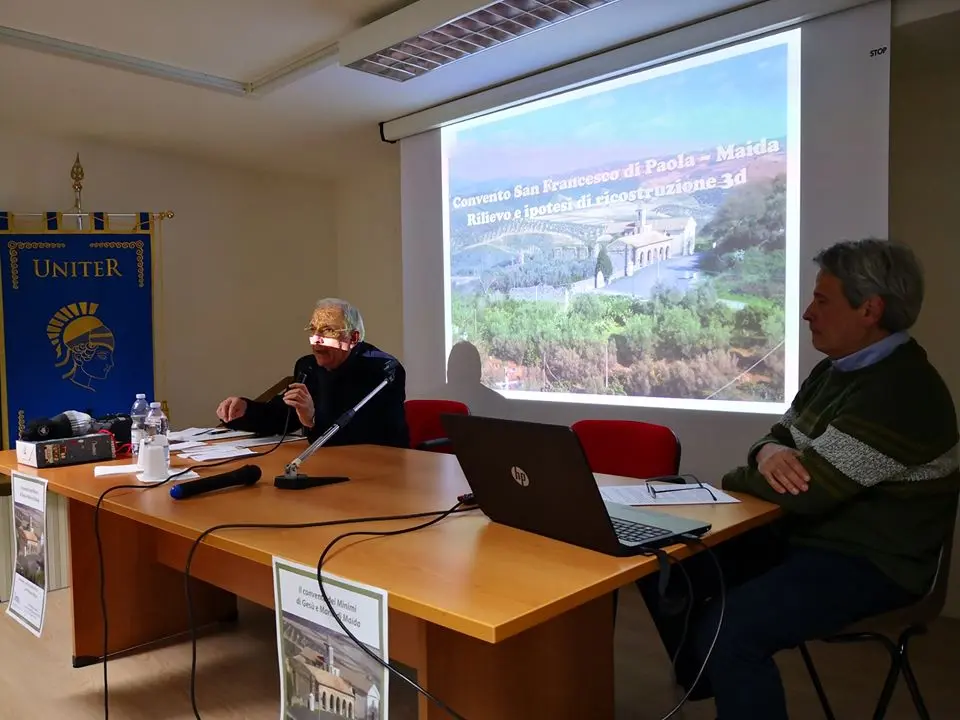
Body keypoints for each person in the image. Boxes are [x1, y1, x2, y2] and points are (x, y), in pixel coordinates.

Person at [639, 239, 959, 720]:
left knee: (732, 630)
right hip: (807, 540)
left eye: (822, 300)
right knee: (658, 560)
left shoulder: (902, 390)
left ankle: (718, 656)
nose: (808, 313)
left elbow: (806, 493)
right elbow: (775, 438)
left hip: (874, 562)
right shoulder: (833, 372)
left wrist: (744, 471)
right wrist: (768, 452)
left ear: (870, 309)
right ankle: (708, 672)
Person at [216, 298, 410, 448]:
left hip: (379, 468)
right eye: (313, 330)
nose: (316, 340)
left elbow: (367, 436)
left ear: (353, 337)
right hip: (326, 465)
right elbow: (283, 415)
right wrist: (245, 411)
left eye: (327, 331)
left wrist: (312, 419)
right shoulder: (308, 366)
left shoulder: (383, 369)